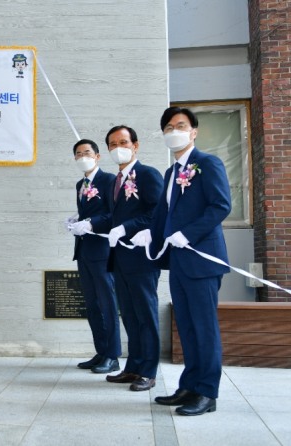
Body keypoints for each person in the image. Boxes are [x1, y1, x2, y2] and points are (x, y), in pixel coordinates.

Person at [132, 107, 231, 415]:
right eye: (168, 127)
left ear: (193, 132)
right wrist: (150, 234)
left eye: (181, 125)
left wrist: (188, 234)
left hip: (203, 261)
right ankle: (189, 386)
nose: (174, 130)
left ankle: (206, 393)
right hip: (179, 263)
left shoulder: (207, 163)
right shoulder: (171, 172)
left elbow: (220, 206)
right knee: (186, 328)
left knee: (204, 328)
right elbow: (164, 215)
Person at [104, 125, 163, 391]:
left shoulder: (147, 175)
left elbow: (157, 213)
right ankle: (134, 366)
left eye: (124, 143)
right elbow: (112, 216)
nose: (119, 149)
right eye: (113, 144)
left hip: (142, 258)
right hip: (120, 259)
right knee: (128, 313)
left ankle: (148, 371)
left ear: (135, 145)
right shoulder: (115, 181)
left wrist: (126, 228)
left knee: (145, 314)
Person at [66, 139, 121, 374]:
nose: (82, 157)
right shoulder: (80, 183)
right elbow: (87, 212)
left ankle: (113, 355)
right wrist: (76, 221)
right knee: (91, 304)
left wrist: (90, 223)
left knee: (107, 303)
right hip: (83, 250)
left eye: (86, 152)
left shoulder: (109, 180)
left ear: (97, 156)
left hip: (102, 250)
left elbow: (113, 214)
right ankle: (101, 351)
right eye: (78, 154)